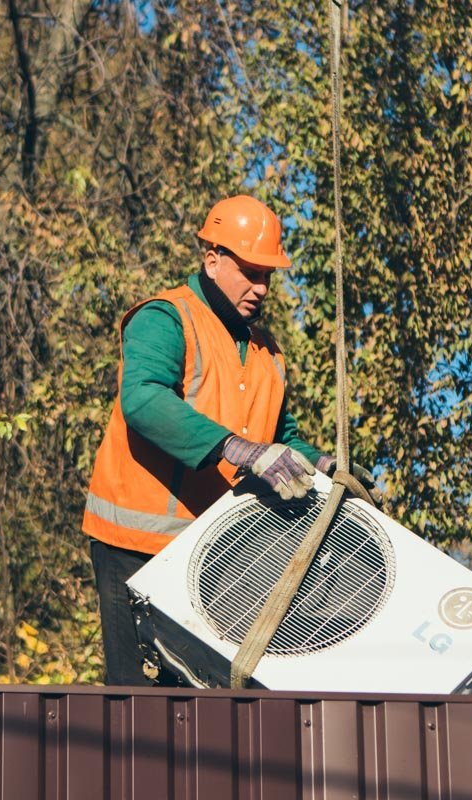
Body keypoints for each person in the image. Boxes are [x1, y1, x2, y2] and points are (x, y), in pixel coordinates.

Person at [81, 194, 338, 685]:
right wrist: (234, 448)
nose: (261, 288)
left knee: (207, 705)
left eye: (268, 276)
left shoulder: (268, 353)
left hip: (215, 556)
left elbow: (282, 439)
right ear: (213, 259)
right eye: (251, 272)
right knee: (137, 704)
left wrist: (324, 465)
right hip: (133, 548)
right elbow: (142, 400)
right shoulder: (165, 317)